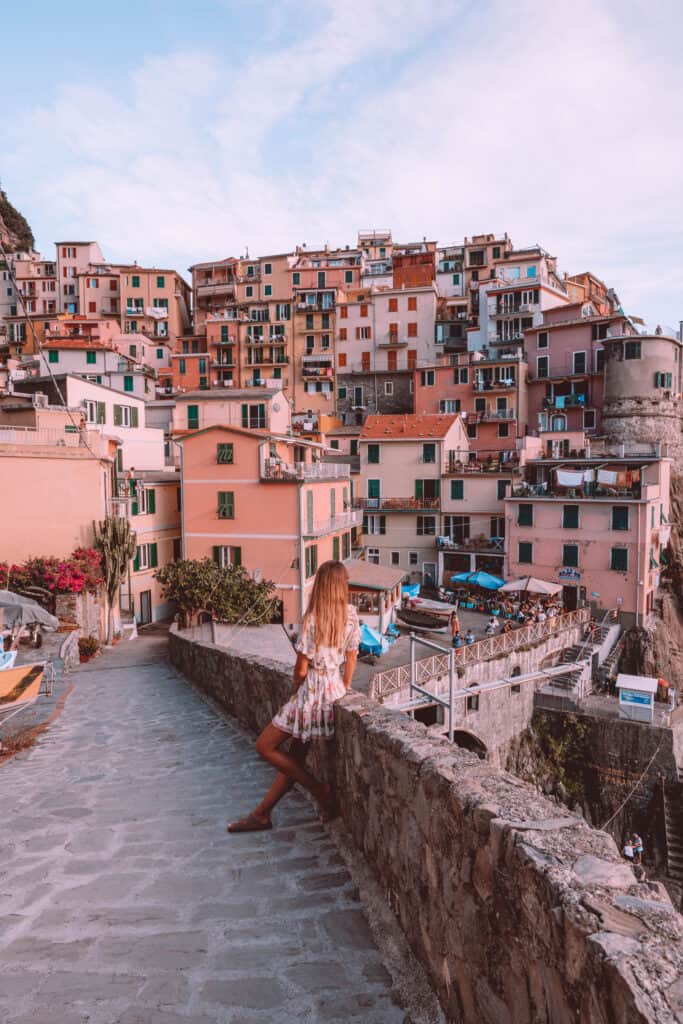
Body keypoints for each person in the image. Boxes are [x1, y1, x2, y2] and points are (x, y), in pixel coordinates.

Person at [227, 561, 360, 833]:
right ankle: (262, 814)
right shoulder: (351, 616)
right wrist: (344, 686)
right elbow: (352, 657)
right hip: (332, 691)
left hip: (310, 693)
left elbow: (300, 669)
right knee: (294, 761)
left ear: (321, 586)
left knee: (264, 746)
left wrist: (296, 691)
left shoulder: (313, 618)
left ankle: (319, 790)